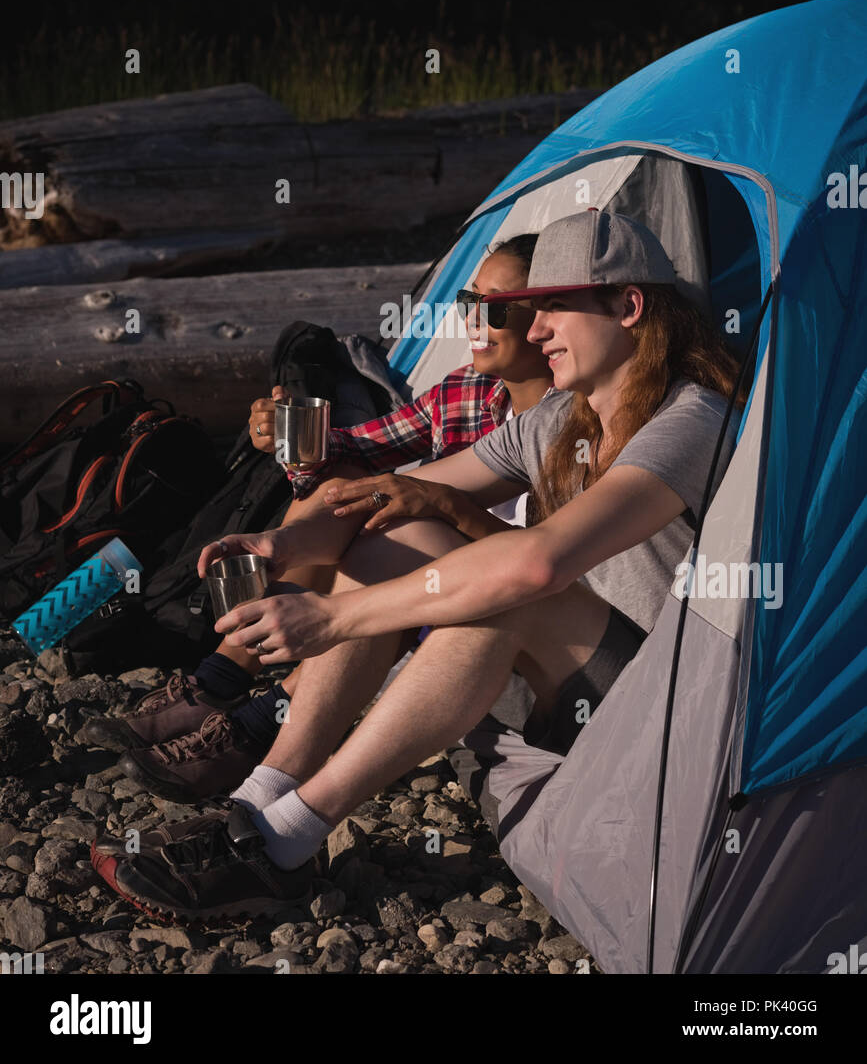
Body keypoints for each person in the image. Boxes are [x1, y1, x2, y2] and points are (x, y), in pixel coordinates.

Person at [92, 210, 746, 923]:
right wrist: (281, 546)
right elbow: (382, 495)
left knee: (504, 594)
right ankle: (258, 804)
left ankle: (281, 844)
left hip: (668, 703)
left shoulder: (688, 419)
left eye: (554, 307)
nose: (532, 332)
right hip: (572, 681)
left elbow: (539, 564)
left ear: (627, 306)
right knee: (397, 524)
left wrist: (334, 616)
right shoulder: (561, 421)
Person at [82, 234, 552, 801]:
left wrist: (429, 505)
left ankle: (251, 725)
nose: (473, 321)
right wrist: (287, 446)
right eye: (467, 302)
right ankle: (224, 688)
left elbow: (543, 558)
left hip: (513, 614)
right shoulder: (470, 392)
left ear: (552, 319)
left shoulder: (575, 422)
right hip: (431, 586)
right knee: (344, 489)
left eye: (495, 308)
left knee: (394, 532)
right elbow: (357, 455)